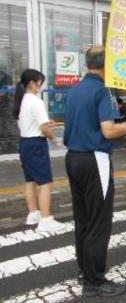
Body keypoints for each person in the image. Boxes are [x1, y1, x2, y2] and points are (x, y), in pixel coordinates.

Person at [64, 46, 126, 297]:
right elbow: (109, 131)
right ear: (106, 66)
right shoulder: (103, 89)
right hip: (95, 159)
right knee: (99, 222)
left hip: (74, 158)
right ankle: (94, 280)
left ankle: (85, 270)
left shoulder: (75, 90)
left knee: (82, 220)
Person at [12, 69, 66, 232]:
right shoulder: (36, 102)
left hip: (25, 143)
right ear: (32, 84)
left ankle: (33, 213)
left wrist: (44, 125)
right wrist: (55, 139)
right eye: (40, 82)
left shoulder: (22, 100)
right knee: (45, 183)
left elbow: (36, 123)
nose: (41, 86)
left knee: (30, 181)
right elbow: (43, 128)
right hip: (36, 145)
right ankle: (45, 220)